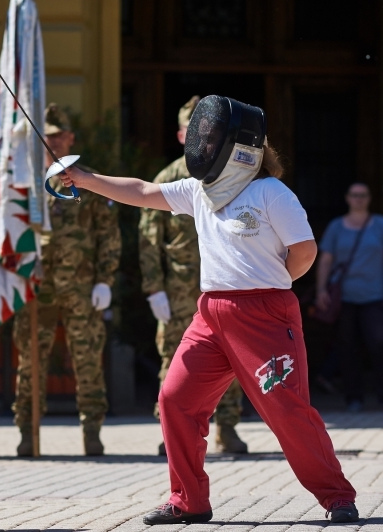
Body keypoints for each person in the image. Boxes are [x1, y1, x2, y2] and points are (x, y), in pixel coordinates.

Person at [57, 95, 358, 525]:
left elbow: (305, 252)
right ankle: (188, 501)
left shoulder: (272, 192)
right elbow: (143, 191)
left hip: (265, 314)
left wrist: (268, 283)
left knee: (287, 411)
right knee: (176, 399)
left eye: (211, 136)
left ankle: (337, 496)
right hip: (211, 316)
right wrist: (85, 179)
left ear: (239, 145)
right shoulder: (200, 191)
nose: (200, 143)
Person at [139, 96, 248, 455]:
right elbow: (149, 241)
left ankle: (227, 428)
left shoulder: (229, 177)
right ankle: (168, 430)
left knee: (230, 356)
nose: (201, 137)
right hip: (180, 288)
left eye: (208, 131)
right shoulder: (168, 179)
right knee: (174, 358)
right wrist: (154, 289)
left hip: (221, 284)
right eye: (193, 131)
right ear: (181, 134)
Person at [11, 104, 120, 457]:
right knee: (31, 362)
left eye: (59, 135)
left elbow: (108, 236)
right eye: (49, 136)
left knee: (87, 359)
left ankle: (92, 430)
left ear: (71, 138)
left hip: (81, 287)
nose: (54, 141)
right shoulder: (24, 184)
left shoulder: (89, 181)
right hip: (37, 287)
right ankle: (28, 432)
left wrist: (105, 280)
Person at [316, 182, 383, 412]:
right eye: (354, 195)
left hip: (375, 296)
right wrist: (321, 290)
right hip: (345, 298)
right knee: (346, 347)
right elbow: (325, 260)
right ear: (347, 198)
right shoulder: (336, 227)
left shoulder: (380, 224)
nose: (359, 199)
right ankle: (353, 398)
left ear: (369, 198)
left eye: (363, 195)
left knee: (380, 344)